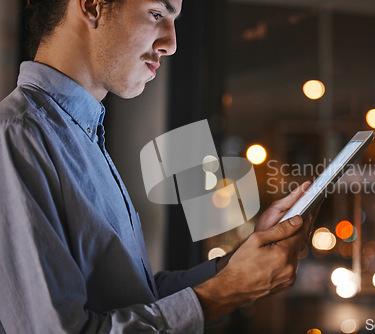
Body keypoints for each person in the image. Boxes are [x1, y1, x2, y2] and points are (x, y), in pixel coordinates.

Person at [0, 0, 319, 333]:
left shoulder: (79, 133)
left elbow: (130, 299)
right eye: (157, 14)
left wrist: (237, 267)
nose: (171, 43)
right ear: (93, 6)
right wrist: (227, 291)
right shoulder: (17, 135)